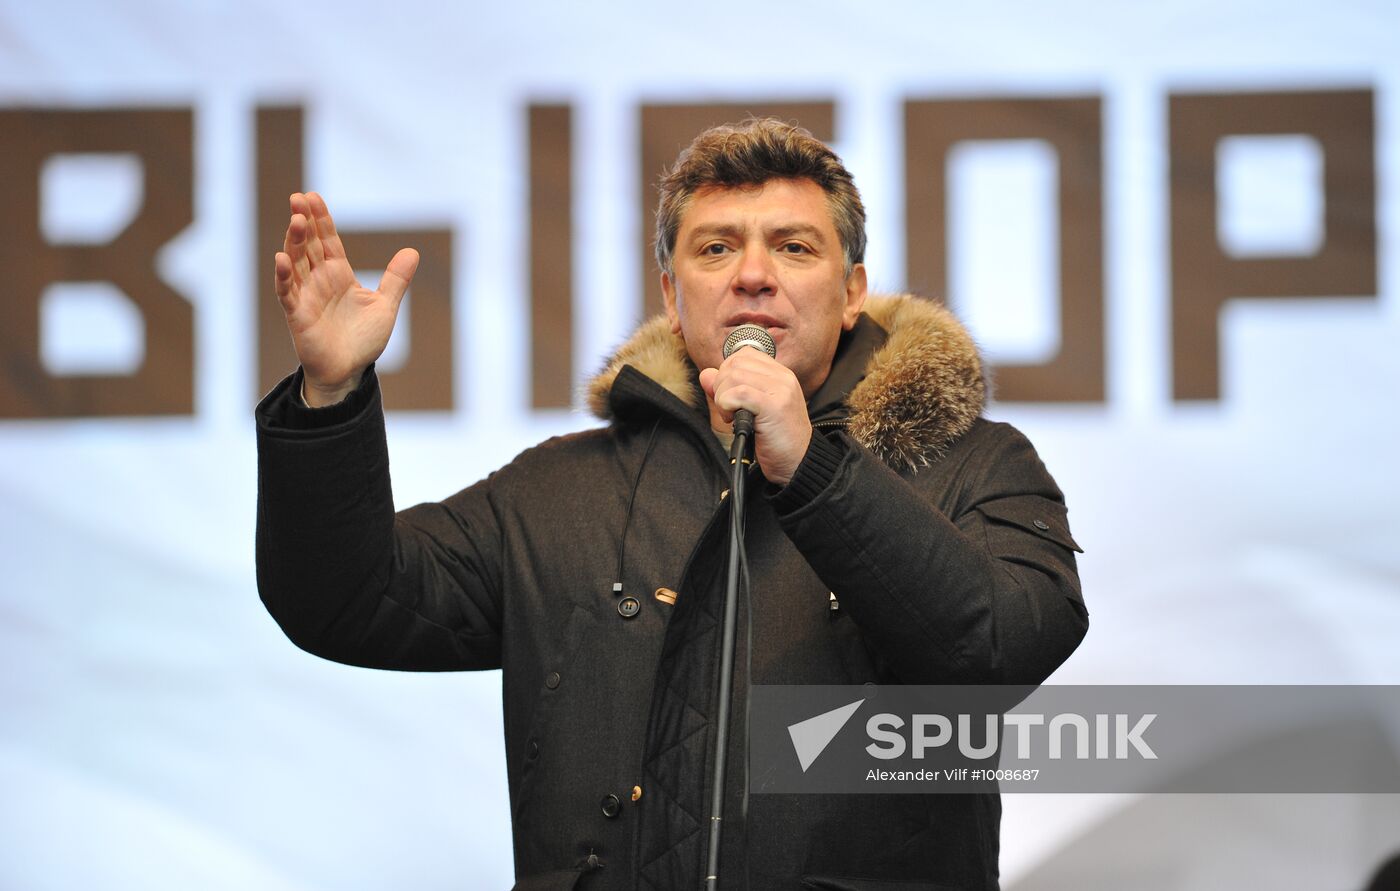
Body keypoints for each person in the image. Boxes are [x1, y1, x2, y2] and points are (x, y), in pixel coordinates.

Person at [256, 118, 1088, 890]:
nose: (753, 274)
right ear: (670, 291)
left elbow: (1005, 649)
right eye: (716, 248)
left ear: (851, 292)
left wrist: (815, 469)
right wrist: (331, 395)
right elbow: (344, 599)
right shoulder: (561, 489)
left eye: (794, 247)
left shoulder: (972, 460)